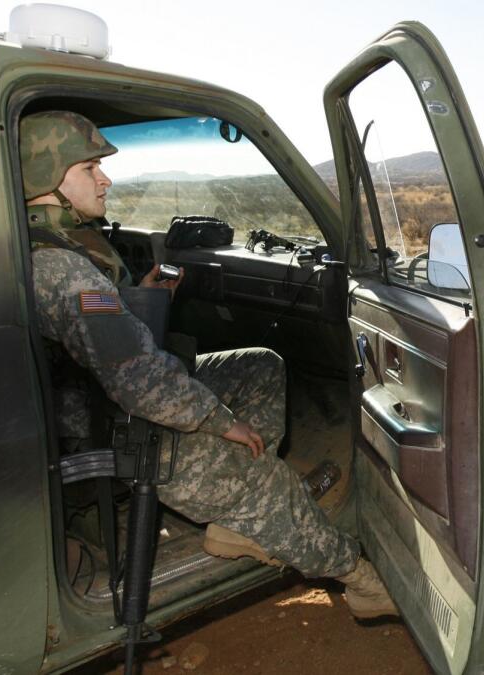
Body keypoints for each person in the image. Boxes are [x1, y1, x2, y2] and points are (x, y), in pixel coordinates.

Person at [20, 110, 395, 619]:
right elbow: (141, 384)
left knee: (261, 365)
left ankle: (241, 519)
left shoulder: (56, 245)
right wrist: (221, 422)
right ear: (47, 180)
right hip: (114, 427)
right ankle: (359, 579)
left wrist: (144, 298)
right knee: (269, 483)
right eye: (89, 169)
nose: (104, 178)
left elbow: (103, 342)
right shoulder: (61, 268)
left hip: (106, 401)